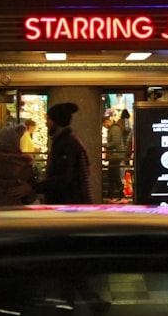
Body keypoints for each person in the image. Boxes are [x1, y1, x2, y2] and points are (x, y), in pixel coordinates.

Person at [35, 103, 108, 311]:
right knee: (66, 262)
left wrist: (36, 187)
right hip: (70, 208)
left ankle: (76, 303)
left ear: (56, 121)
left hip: (66, 210)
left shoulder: (65, 144)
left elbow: (63, 179)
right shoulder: (68, 142)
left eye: (49, 119)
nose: (46, 123)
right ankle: (84, 301)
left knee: (65, 261)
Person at [102, 111, 124, 201]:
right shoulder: (113, 129)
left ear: (107, 121)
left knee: (114, 174)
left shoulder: (114, 129)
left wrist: (106, 145)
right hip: (114, 155)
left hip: (116, 155)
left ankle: (120, 193)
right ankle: (110, 195)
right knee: (112, 175)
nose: (104, 126)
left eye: (104, 124)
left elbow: (115, 142)